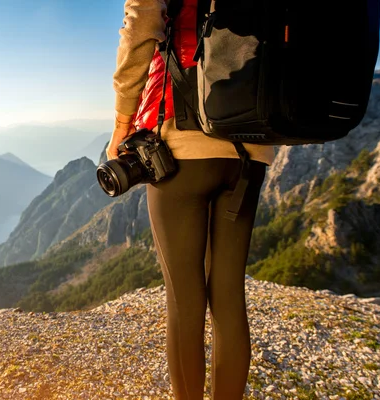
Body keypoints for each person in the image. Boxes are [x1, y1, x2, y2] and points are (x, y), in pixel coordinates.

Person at [107, 0, 276, 399]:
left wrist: (121, 124)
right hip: (252, 146)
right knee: (229, 295)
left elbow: (141, 23)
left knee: (185, 301)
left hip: (183, 136)